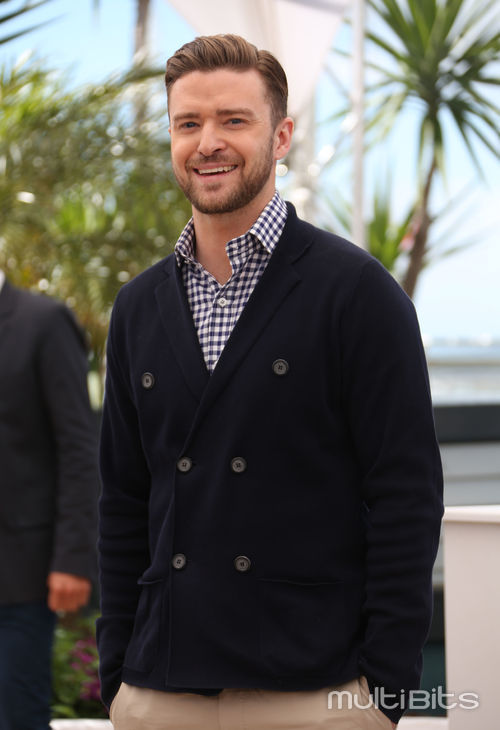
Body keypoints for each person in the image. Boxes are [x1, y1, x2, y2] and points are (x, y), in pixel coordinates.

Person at [97, 34, 443, 730]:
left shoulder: (357, 293)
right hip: (162, 688)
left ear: (281, 136)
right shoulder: (138, 307)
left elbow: (405, 495)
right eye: (188, 123)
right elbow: (123, 499)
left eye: (234, 120)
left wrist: (385, 691)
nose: (208, 143)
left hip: (314, 688)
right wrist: (117, 676)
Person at [0, 271, 98, 730]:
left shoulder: (43, 322)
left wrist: (73, 558)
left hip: (18, 576)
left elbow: (78, 448)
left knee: (17, 716)